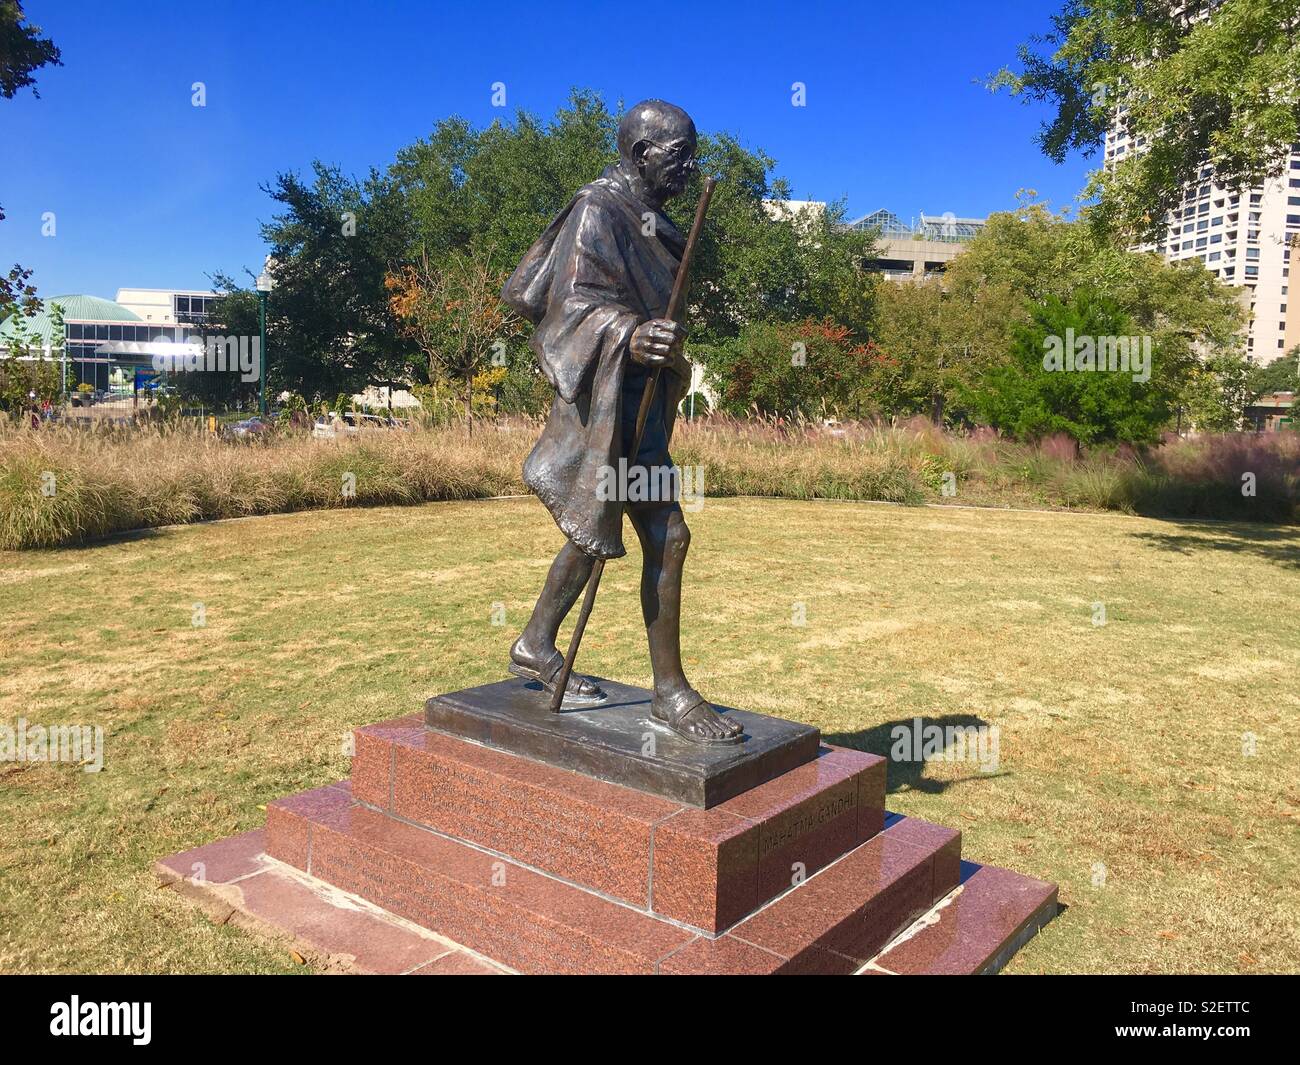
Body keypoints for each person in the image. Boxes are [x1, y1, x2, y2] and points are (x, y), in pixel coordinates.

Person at [501, 100, 741, 745]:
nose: (691, 165)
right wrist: (631, 334)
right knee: (665, 533)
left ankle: (534, 641)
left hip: (640, 406)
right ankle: (669, 694)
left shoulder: (653, 221)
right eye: (678, 152)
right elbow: (568, 302)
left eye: (694, 151)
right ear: (641, 153)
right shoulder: (599, 210)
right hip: (601, 405)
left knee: (598, 528)